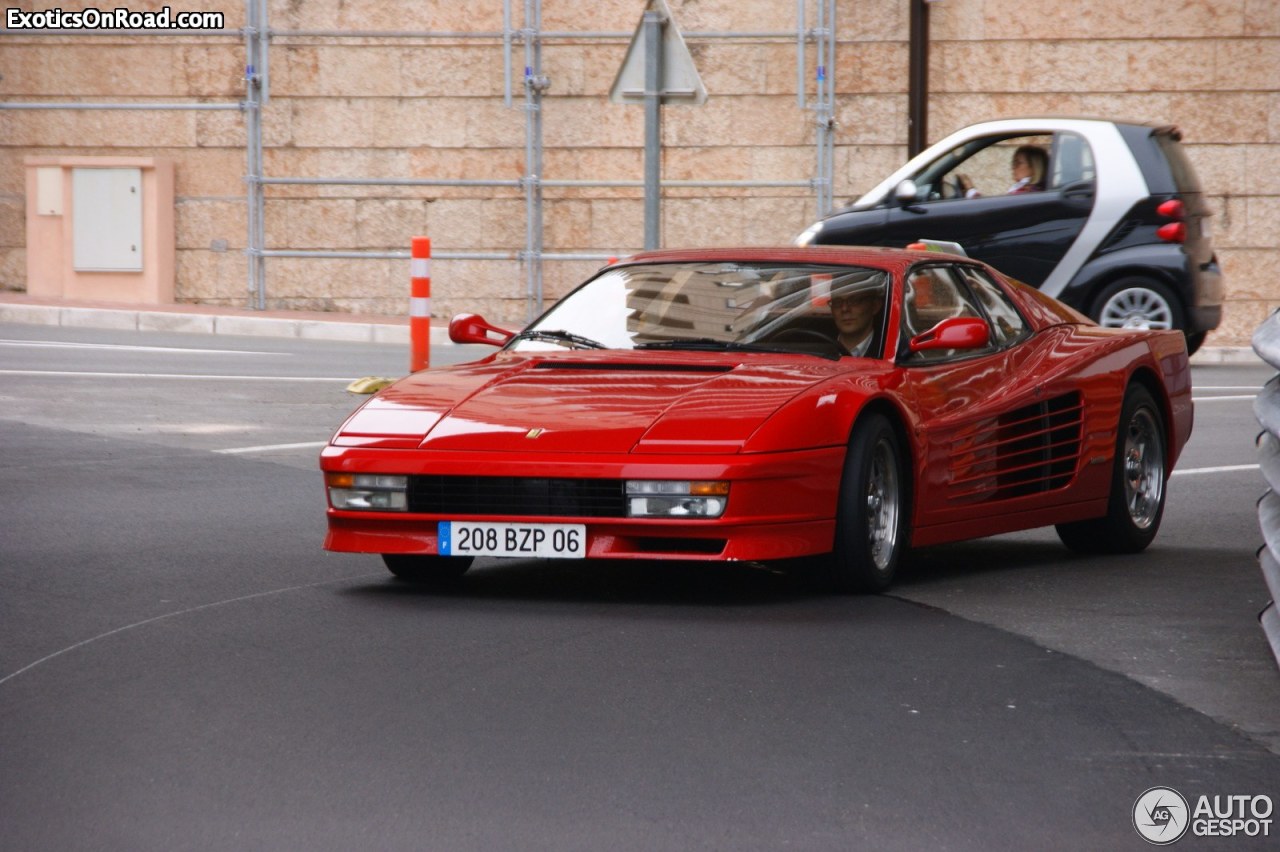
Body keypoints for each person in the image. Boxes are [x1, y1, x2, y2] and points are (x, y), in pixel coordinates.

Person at [957, 144, 1048, 198]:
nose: (1013, 167)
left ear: (1034, 168)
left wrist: (970, 190)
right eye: (1013, 163)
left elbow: (991, 212)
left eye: (1018, 163)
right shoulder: (1033, 191)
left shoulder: (1025, 194)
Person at [829, 287, 884, 357]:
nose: (844, 308)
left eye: (854, 301)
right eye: (837, 302)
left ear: (875, 306)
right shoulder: (818, 349)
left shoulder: (893, 352)